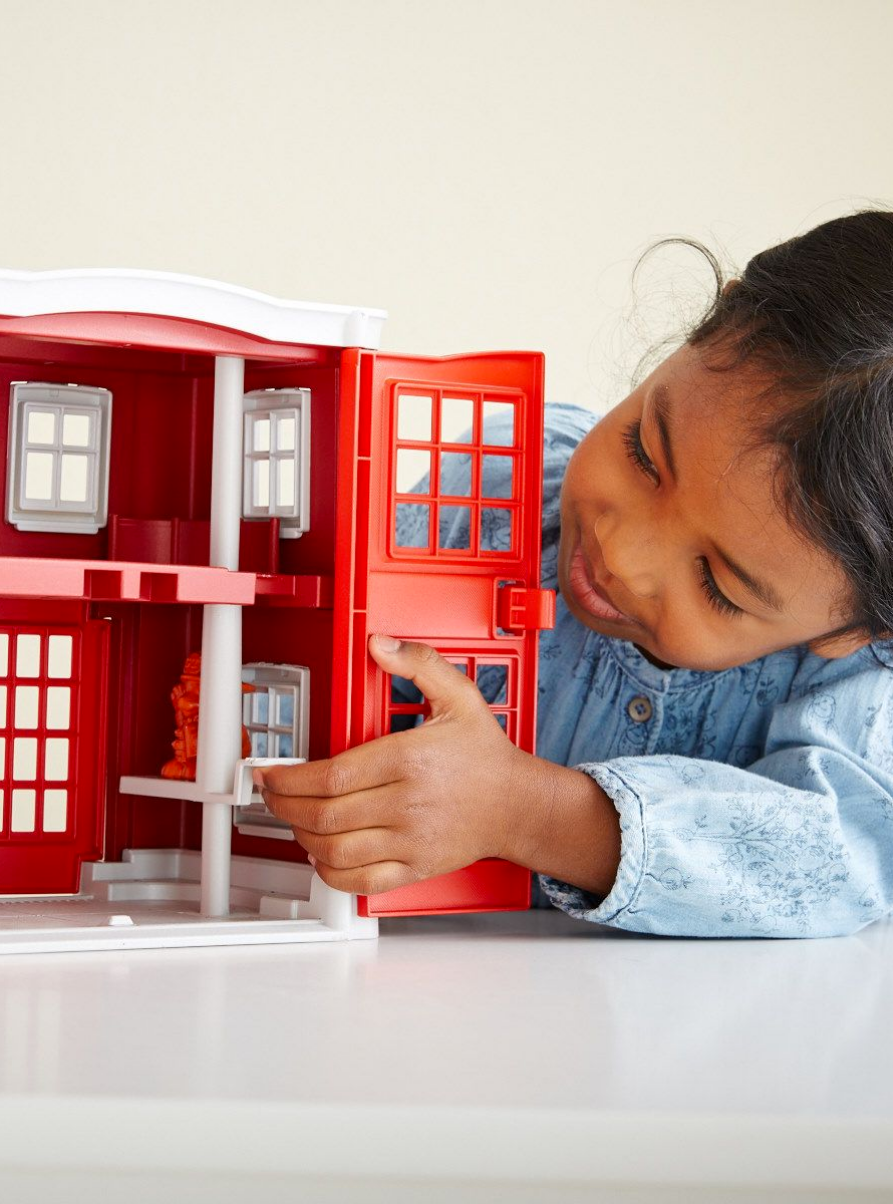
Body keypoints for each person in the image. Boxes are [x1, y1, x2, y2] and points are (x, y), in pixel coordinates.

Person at [253, 209, 893, 938]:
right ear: (704, 331)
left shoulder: (860, 685)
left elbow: (851, 852)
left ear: (863, 627)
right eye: (643, 453)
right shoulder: (492, 485)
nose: (622, 555)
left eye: (716, 585)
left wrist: (526, 813)